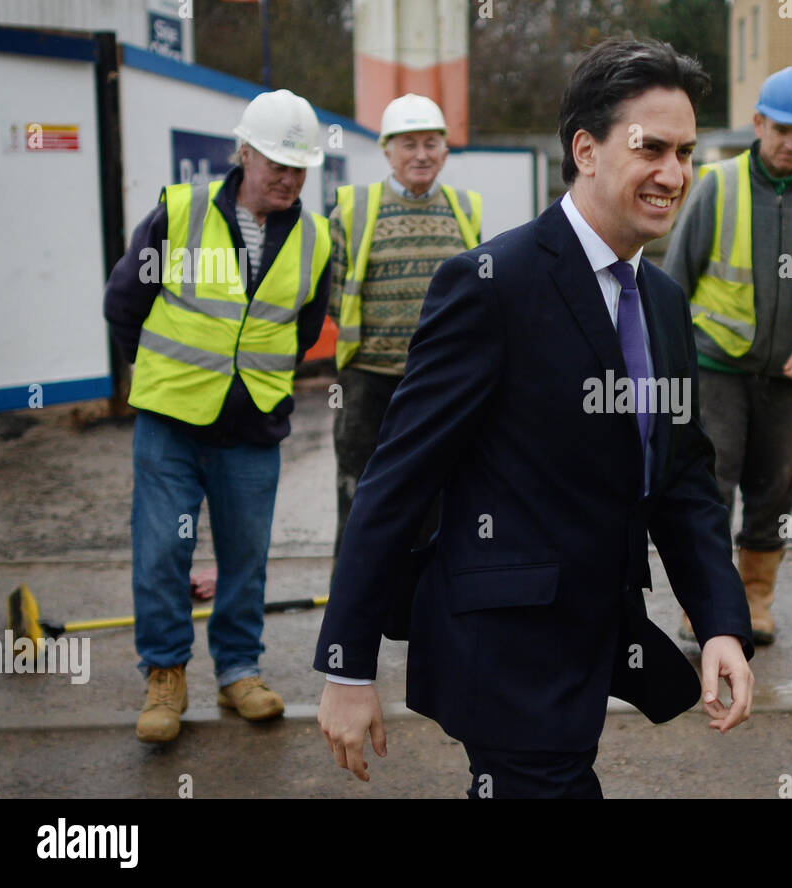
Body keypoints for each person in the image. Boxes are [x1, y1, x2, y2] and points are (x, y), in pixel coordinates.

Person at [314, 38, 755, 799]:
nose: (675, 174)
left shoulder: (666, 304)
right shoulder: (493, 285)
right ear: (585, 149)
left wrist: (719, 621)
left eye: (686, 152)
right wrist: (347, 665)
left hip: (598, 635)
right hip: (505, 650)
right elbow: (395, 481)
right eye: (651, 147)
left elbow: (681, 475)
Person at [103, 89, 331, 743]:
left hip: (252, 426)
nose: (288, 178)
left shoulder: (314, 239)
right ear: (243, 153)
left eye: (299, 167)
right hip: (171, 421)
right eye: (275, 163)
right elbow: (125, 303)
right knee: (161, 552)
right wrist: (151, 378)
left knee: (245, 556)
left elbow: (304, 327)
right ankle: (165, 675)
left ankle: (238, 672)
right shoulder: (182, 214)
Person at [663, 66, 792, 645]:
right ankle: (704, 605)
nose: (791, 144)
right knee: (709, 489)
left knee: (775, 493)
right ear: (757, 123)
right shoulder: (716, 186)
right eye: (781, 130)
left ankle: (754, 602)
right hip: (716, 369)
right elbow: (675, 280)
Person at [328, 93, 481, 567]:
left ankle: (423, 605)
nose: (421, 154)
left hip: (439, 382)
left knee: (437, 497)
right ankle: (354, 605)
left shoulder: (466, 209)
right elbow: (335, 293)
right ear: (387, 150)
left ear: (445, 151)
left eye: (431, 143)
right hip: (367, 382)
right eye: (408, 143)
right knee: (361, 493)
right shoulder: (353, 209)